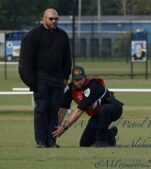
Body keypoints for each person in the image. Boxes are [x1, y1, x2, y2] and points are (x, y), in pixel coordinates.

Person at [18, 8, 71, 148]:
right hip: (40, 79)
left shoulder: (63, 36)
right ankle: (41, 141)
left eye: (56, 19)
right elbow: (25, 62)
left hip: (57, 79)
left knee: (54, 110)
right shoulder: (33, 36)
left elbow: (67, 59)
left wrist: (66, 77)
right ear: (44, 19)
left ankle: (52, 141)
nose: (54, 21)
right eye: (51, 19)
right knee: (41, 109)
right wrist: (33, 82)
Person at [52, 66, 123, 147]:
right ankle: (110, 134)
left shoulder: (92, 86)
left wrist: (64, 128)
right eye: (76, 80)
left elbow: (79, 111)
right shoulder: (70, 89)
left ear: (84, 78)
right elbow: (62, 109)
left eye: (81, 79)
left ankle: (102, 141)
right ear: (72, 80)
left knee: (104, 109)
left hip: (113, 109)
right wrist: (56, 128)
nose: (79, 82)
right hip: (98, 115)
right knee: (84, 143)